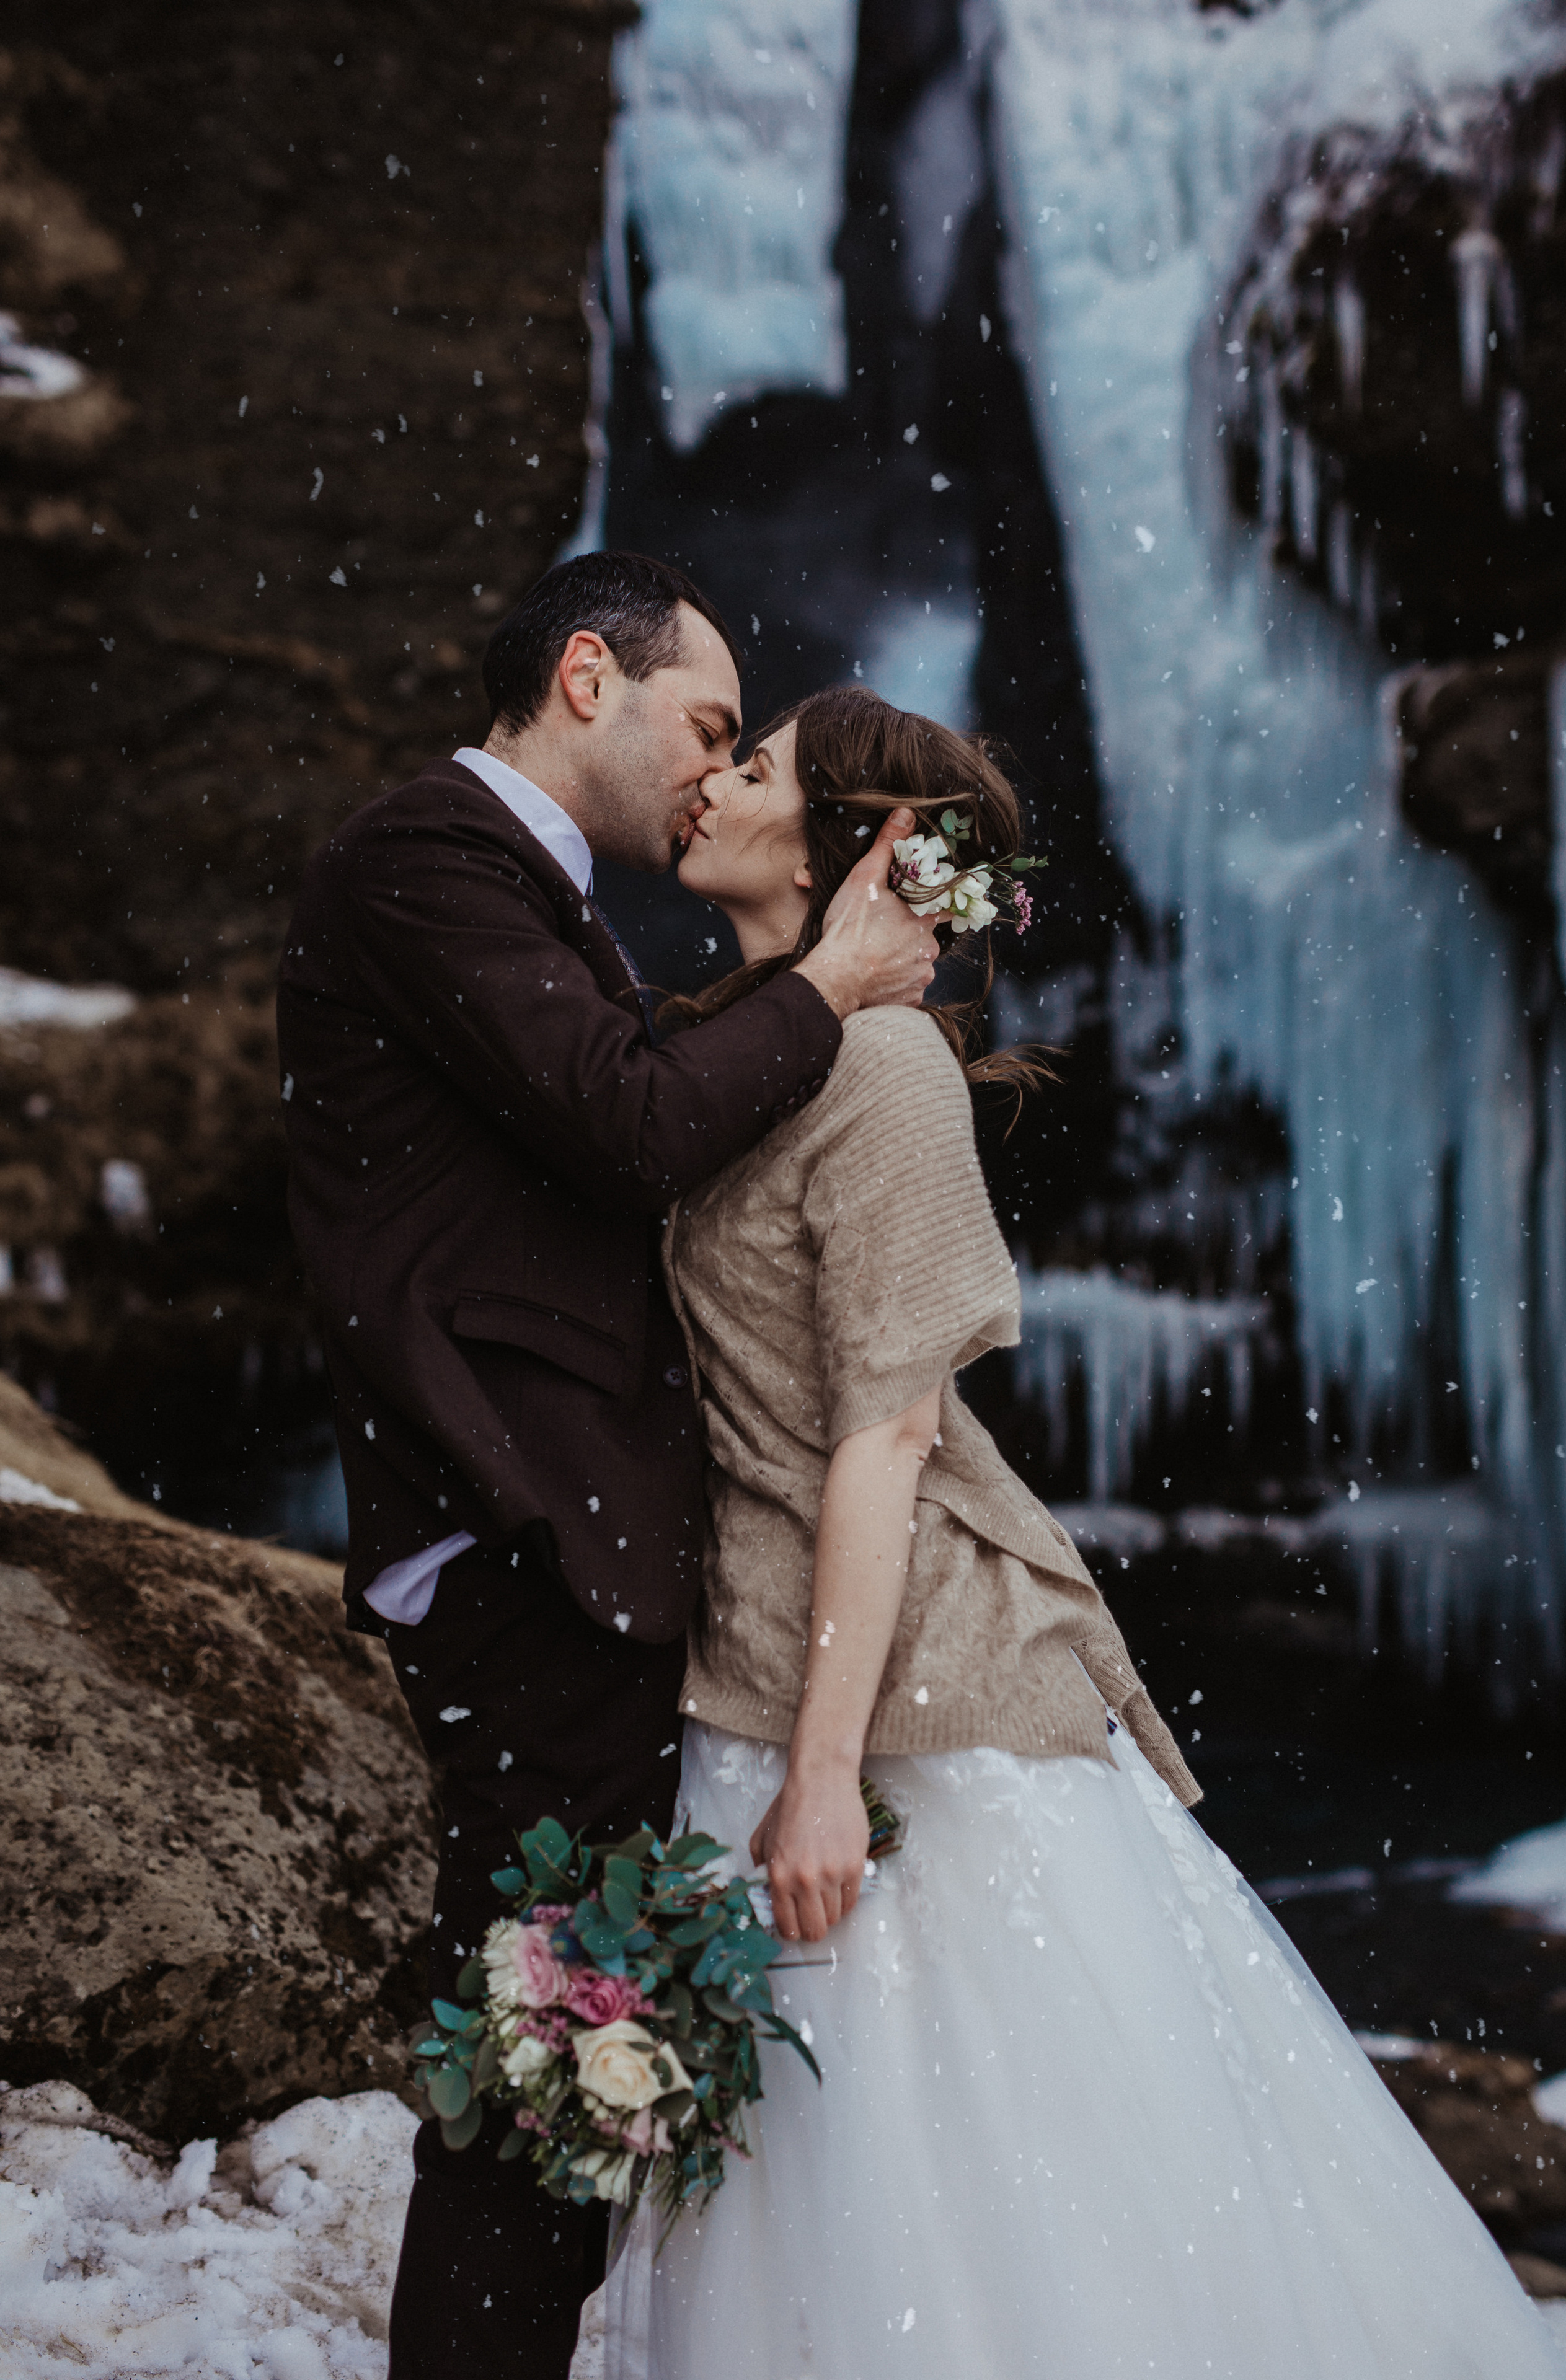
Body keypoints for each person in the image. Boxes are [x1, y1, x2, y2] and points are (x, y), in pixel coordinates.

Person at [602, 683, 1566, 2379]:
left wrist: (827, 1771)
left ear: (868, 844)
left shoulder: (885, 1071)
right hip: (756, 1667)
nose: (707, 780)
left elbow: (888, 1431)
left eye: (751, 767)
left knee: (995, 2167)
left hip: (910, 1703)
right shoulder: (734, 1046)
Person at [275, 553, 940, 2380]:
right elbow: (634, 1127)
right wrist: (835, 980)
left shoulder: (534, 896)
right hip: (518, 1543)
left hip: (566, 1549)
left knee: (571, 2054)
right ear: (591, 678)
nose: (715, 777)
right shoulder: (426, 861)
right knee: (545, 2058)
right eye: (708, 727)